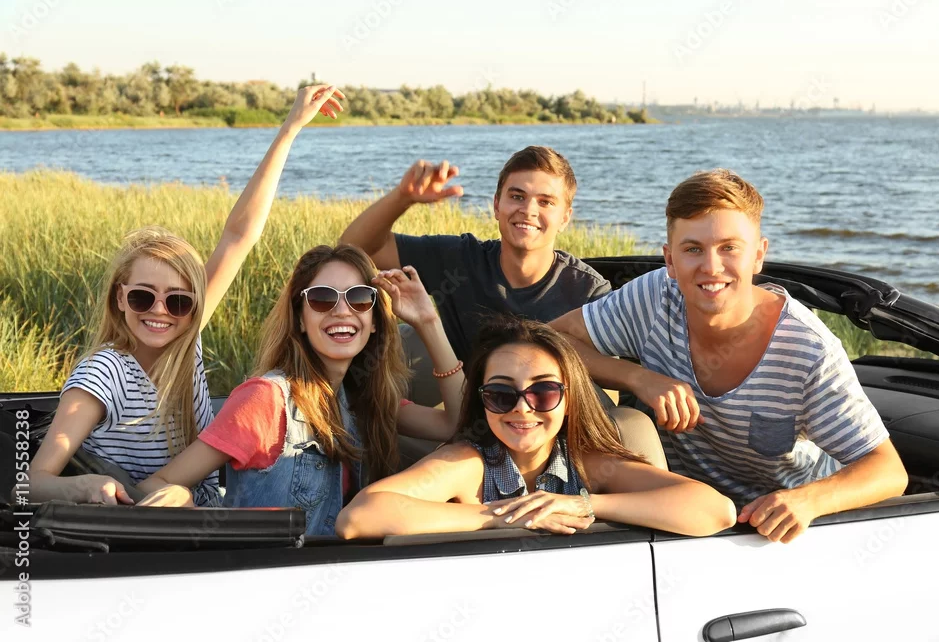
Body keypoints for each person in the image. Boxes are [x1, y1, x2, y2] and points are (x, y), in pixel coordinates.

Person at [28, 84, 347, 506]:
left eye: (178, 301)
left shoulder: (186, 333)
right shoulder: (104, 374)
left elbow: (239, 235)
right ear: (120, 298)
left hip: (204, 507)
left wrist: (290, 129)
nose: (161, 312)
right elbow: (30, 484)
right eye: (143, 297)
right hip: (153, 520)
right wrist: (83, 487)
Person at [551, 168, 908, 543]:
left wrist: (808, 501)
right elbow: (551, 340)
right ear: (669, 260)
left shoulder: (809, 351)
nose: (711, 266)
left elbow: (887, 470)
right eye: (693, 249)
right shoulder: (654, 298)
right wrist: (638, 378)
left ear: (758, 255)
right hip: (681, 519)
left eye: (729, 248)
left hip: (778, 533)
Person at [135, 245, 466, 536]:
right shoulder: (266, 399)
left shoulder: (364, 398)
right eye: (322, 299)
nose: (342, 310)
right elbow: (156, 483)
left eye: (359, 298)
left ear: (375, 319)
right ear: (300, 319)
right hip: (269, 573)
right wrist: (181, 496)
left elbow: (454, 424)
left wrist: (427, 321)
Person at [336, 317, 736, 539]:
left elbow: (716, 511)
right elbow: (358, 518)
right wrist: (503, 516)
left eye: (543, 392)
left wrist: (585, 505)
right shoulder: (468, 464)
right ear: (482, 401)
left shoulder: (591, 465)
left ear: (569, 398)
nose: (522, 408)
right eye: (501, 394)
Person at [338, 146, 610, 365]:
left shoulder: (588, 291)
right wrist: (402, 198)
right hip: (461, 399)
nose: (528, 210)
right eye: (517, 197)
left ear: (565, 218)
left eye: (545, 202)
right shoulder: (460, 259)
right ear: (496, 205)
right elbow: (356, 248)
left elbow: (604, 382)